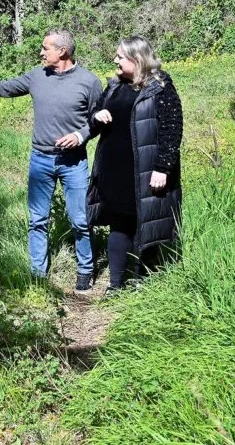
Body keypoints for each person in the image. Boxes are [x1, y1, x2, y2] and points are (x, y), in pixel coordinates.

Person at [0, 29, 103, 290]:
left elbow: (99, 120)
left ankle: (85, 270)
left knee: (80, 220)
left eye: (45, 47)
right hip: (40, 159)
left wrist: (81, 135)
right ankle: (37, 275)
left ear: (62, 51)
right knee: (37, 220)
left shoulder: (89, 81)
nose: (41, 52)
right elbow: (4, 88)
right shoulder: (36, 76)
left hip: (73, 162)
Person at [87, 36, 183, 293]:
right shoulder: (115, 86)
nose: (115, 60)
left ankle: (143, 283)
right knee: (119, 224)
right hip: (114, 172)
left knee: (146, 226)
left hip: (145, 172)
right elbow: (93, 116)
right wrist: (97, 115)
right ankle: (116, 285)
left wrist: (163, 167)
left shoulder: (160, 87)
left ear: (136, 59)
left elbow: (172, 130)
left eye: (120, 56)